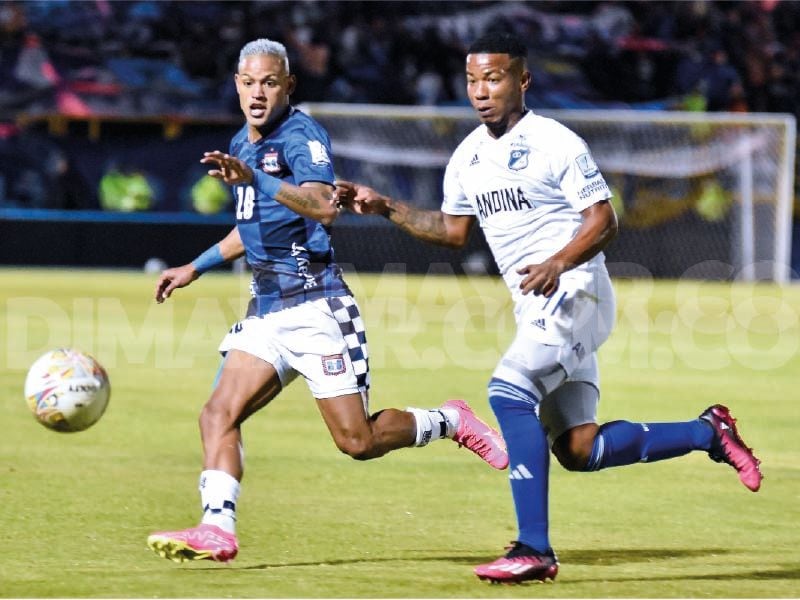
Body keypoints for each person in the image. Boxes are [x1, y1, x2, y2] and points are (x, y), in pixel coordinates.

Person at [336, 31, 763, 584]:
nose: (481, 91)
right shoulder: (466, 157)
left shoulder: (555, 141)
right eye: (472, 80)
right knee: (578, 448)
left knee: (507, 391)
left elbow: (603, 219)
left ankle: (533, 548)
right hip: (539, 306)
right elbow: (452, 231)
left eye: (493, 78)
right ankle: (708, 431)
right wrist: (386, 206)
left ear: (522, 80)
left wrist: (557, 263)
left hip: (576, 291)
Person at [145, 38, 508, 565]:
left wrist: (258, 178)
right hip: (266, 311)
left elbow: (321, 207)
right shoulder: (241, 144)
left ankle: (451, 420)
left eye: (269, 82)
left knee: (357, 441)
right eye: (248, 82)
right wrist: (193, 267)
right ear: (236, 85)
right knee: (216, 414)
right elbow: (252, 227)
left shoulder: (301, 135)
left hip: (318, 306)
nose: (257, 93)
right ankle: (217, 529)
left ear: (288, 85)